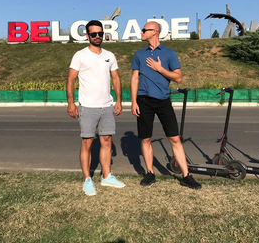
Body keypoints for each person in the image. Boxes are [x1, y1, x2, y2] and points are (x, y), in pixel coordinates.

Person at [130, 21, 201, 189]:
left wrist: (159, 68)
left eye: (144, 30)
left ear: (154, 32)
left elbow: (178, 78)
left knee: (174, 138)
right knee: (146, 138)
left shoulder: (169, 53)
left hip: (163, 100)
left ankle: (186, 175)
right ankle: (150, 173)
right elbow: (134, 78)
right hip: (144, 101)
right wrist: (133, 102)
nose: (141, 32)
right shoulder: (139, 54)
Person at [67, 20, 125, 196]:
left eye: (100, 33)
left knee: (107, 141)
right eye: (94, 34)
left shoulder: (109, 55)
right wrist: (71, 103)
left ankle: (106, 176)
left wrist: (119, 100)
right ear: (87, 36)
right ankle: (87, 179)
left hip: (106, 106)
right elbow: (70, 80)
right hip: (88, 107)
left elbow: (115, 78)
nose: (98, 36)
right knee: (87, 142)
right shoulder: (80, 55)